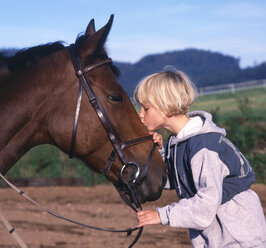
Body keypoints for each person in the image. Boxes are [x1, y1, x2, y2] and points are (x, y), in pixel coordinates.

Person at [134, 68, 266, 247]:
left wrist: (162, 215)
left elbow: (205, 207)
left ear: (168, 106)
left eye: (146, 108)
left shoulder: (203, 147)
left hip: (239, 240)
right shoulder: (177, 143)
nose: (140, 114)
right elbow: (169, 181)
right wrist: (158, 152)